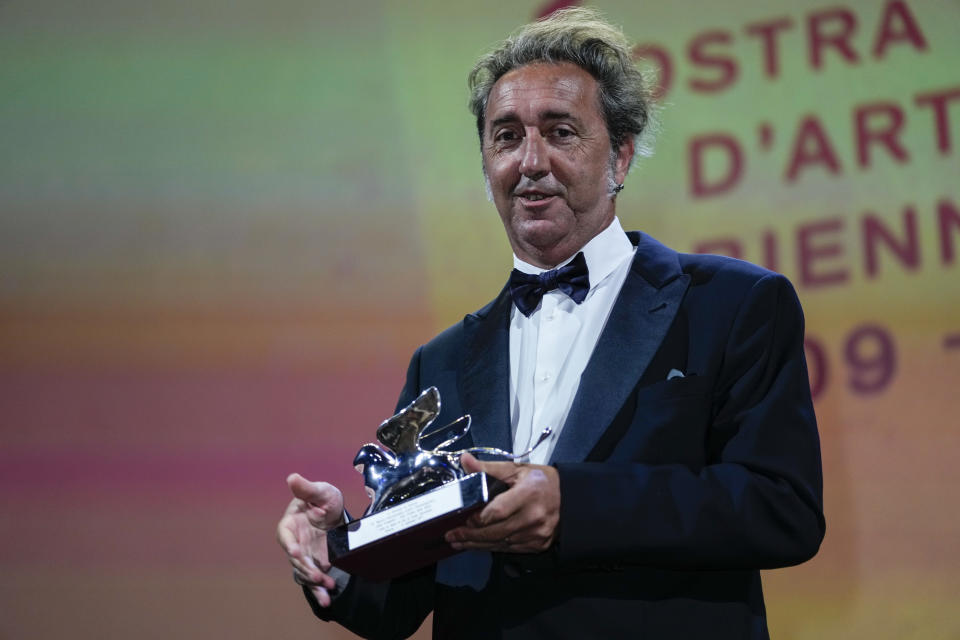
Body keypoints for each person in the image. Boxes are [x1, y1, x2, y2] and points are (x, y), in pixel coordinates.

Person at [276, 7, 824, 639]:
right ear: (487, 165)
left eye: (560, 132)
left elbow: (781, 510)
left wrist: (571, 505)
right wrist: (339, 551)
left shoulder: (733, 305)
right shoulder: (444, 360)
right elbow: (394, 605)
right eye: (506, 137)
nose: (530, 161)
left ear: (620, 158)